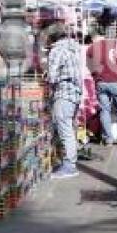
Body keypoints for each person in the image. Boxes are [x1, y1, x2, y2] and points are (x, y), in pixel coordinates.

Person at [46, 23, 83, 179]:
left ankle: (69, 166)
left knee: (65, 130)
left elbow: (52, 77)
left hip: (64, 93)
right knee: (69, 129)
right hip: (74, 93)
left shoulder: (57, 50)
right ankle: (68, 163)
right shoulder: (73, 48)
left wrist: (45, 76)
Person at [86, 33, 117, 146]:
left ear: (94, 39)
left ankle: (108, 139)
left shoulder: (92, 48)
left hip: (101, 82)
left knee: (104, 111)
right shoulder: (116, 45)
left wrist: (95, 76)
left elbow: (89, 65)